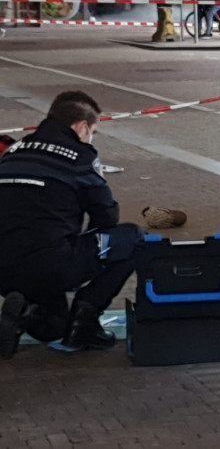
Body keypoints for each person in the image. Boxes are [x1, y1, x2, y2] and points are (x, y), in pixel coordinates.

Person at [0, 91, 143, 358]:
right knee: (135, 238)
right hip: (51, 263)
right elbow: (107, 217)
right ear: (82, 126)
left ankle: (23, 315)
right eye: (94, 131)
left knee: (53, 327)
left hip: (4, 267)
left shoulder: (12, 151)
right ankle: (85, 323)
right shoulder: (79, 157)